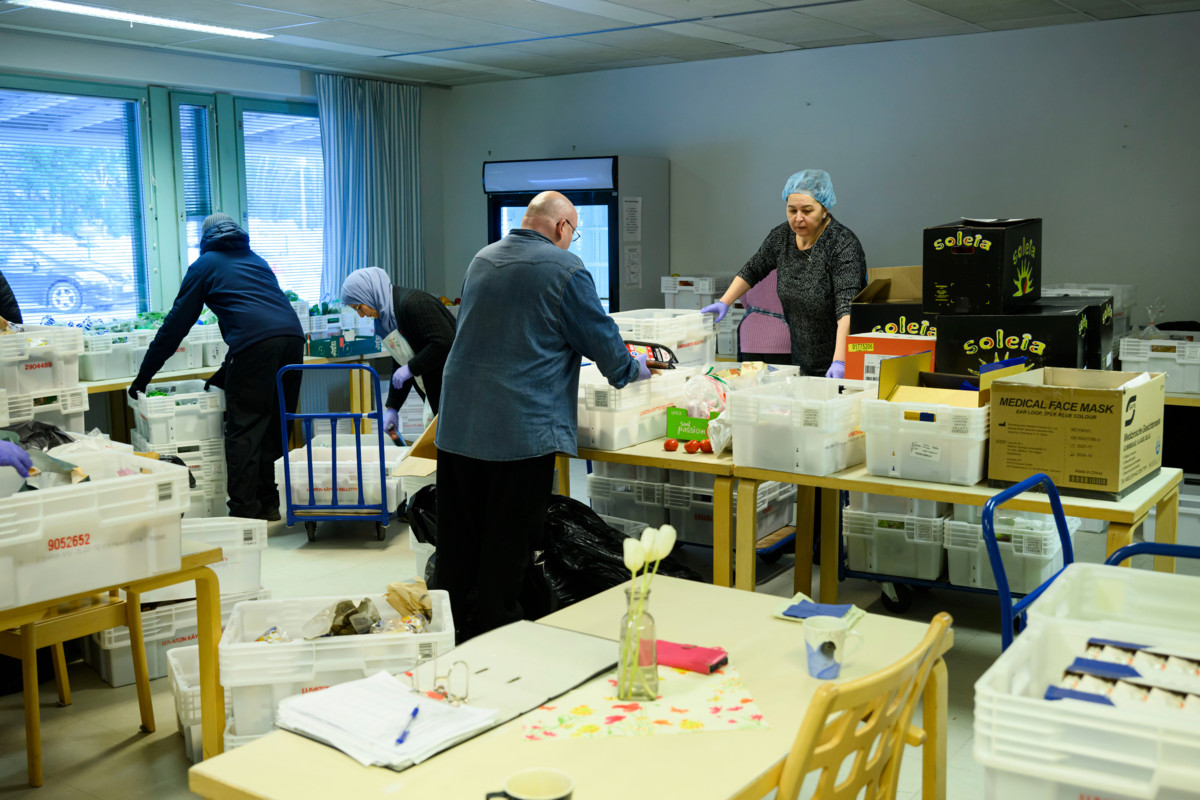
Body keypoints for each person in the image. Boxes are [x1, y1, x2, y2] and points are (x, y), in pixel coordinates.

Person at [434, 190, 652, 642]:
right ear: (560, 227)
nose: (572, 241)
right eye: (574, 232)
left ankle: (450, 632)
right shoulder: (566, 270)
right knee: (507, 540)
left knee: (459, 538)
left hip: (458, 423)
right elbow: (605, 345)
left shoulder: (483, 258)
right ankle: (497, 636)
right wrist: (637, 371)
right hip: (518, 426)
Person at [129, 213, 304, 521]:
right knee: (275, 426)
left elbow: (174, 326)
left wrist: (144, 376)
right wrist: (227, 372)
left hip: (256, 347)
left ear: (205, 240)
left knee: (245, 429)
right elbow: (263, 320)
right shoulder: (256, 260)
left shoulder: (205, 266)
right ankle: (269, 503)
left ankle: (243, 514)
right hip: (292, 340)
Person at [702, 169, 866, 377]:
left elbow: (847, 309)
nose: (798, 218)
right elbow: (753, 269)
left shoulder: (842, 244)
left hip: (841, 359)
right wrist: (724, 301)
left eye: (807, 211)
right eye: (792, 210)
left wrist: (840, 361)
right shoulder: (782, 237)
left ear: (824, 209)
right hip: (801, 357)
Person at [340, 267, 456, 440]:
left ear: (370, 293)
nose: (362, 315)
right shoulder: (385, 321)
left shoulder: (414, 303)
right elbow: (401, 360)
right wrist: (392, 407)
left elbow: (444, 342)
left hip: (456, 388)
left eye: (359, 307)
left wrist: (411, 368)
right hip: (436, 393)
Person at [736, 269, 791, 364]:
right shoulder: (793, 271)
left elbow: (743, 298)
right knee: (779, 377)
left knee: (750, 377)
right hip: (780, 336)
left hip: (750, 334)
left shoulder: (751, 268)